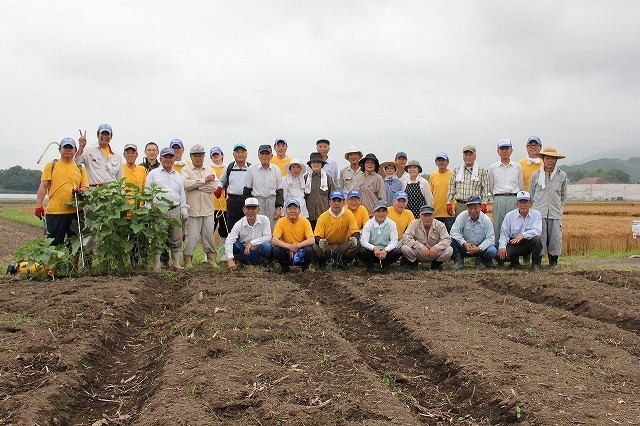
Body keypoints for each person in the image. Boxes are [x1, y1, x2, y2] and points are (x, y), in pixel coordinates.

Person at [35, 137, 88, 246]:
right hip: (55, 212)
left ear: (75, 150)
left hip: (76, 212)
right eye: (65, 147)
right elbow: (43, 186)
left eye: (70, 147)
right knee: (54, 244)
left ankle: (73, 263)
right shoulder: (51, 165)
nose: (68, 150)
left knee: (75, 245)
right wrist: (38, 205)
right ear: (60, 149)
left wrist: (80, 191)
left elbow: (85, 188)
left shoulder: (80, 168)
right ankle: (56, 263)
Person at [146, 148, 189, 270]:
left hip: (175, 209)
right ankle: (157, 264)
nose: (168, 160)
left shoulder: (178, 176)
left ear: (174, 159)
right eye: (165, 157)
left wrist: (184, 209)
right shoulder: (153, 174)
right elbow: (148, 192)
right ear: (160, 159)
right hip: (159, 210)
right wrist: (149, 209)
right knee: (159, 238)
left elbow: (182, 194)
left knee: (176, 238)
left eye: (171, 157)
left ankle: (176, 263)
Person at [529, 146, 568, 269]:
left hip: (555, 211)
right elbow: (531, 193)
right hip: (539, 212)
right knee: (540, 237)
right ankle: (536, 262)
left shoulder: (562, 176)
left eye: (552, 158)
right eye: (547, 158)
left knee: (555, 237)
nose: (550, 161)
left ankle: (553, 261)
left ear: (556, 160)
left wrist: (558, 206)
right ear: (543, 159)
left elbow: (563, 195)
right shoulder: (536, 175)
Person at [182, 144, 219, 268]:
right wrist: (204, 181)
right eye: (195, 155)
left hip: (208, 209)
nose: (198, 158)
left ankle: (211, 260)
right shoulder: (185, 170)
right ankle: (188, 261)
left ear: (204, 156)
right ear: (191, 157)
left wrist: (196, 186)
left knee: (209, 236)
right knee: (191, 237)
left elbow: (213, 187)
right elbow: (186, 184)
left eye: (200, 155)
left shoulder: (210, 170)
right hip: (192, 210)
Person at [488, 139, 524, 262]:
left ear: (511, 150)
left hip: (513, 198)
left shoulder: (517, 167)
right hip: (498, 198)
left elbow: (520, 185)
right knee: (498, 227)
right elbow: (491, 187)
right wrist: (498, 198)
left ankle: (513, 257)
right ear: (498, 151)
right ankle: (499, 257)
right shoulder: (493, 168)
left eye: (507, 148)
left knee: (514, 227)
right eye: (502, 148)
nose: (504, 151)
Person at [313, 190, 360, 268]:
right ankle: (323, 262)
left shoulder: (349, 214)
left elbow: (355, 231)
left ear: (343, 202)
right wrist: (320, 241)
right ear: (330, 202)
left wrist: (354, 238)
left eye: (339, 200)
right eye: (334, 200)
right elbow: (317, 235)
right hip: (328, 246)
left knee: (358, 243)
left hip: (342, 246)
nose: (336, 203)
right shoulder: (323, 217)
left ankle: (343, 262)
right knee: (314, 246)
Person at [497, 191, 543, 271]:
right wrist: (502, 247)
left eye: (526, 202)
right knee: (501, 257)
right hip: (514, 243)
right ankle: (514, 262)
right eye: (520, 202)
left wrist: (523, 235)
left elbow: (537, 231)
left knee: (537, 240)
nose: (523, 205)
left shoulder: (537, 214)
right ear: (517, 204)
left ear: (530, 204)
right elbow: (504, 234)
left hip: (529, 242)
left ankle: (535, 264)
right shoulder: (509, 216)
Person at [450, 195, 497, 269]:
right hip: (464, 247)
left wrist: (479, 248)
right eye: (470, 208)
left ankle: (481, 260)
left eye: (475, 207)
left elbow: (491, 238)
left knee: (492, 251)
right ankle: (458, 260)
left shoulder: (486, 219)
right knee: (450, 241)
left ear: (480, 207)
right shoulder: (462, 216)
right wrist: (464, 243)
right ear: (466, 208)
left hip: (480, 249)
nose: (473, 211)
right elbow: (453, 232)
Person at [243, 144, 284, 231]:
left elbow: (280, 190)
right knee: (256, 227)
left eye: (267, 154)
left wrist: (279, 207)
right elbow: (247, 189)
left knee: (272, 228)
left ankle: (272, 245)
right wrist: (250, 207)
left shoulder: (276, 169)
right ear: (258, 155)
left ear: (271, 156)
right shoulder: (251, 169)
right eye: (262, 154)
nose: (264, 156)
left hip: (272, 202)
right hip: (257, 202)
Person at [400, 205, 453, 270]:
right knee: (405, 248)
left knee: (449, 250)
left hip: (434, 253)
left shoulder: (440, 225)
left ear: (433, 216)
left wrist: (436, 247)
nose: (427, 218)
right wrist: (420, 246)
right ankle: (413, 263)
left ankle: (436, 264)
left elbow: (447, 239)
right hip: (419, 252)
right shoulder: (414, 223)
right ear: (420, 216)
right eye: (425, 215)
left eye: (429, 215)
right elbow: (406, 237)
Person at [225, 197, 273, 270]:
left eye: (253, 208)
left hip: (258, 252)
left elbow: (268, 237)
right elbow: (229, 240)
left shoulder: (265, 219)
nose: (250, 211)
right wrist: (230, 259)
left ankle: (263, 265)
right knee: (234, 243)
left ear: (258, 210)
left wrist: (252, 243)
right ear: (243, 210)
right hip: (244, 252)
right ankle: (239, 262)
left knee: (267, 245)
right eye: (248, 208)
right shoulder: (239, 224)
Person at [272, 199, 315, 273]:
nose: (292, 211)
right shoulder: (281, 221)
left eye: (295, 208)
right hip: (287, 251)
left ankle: (305, 268)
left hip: (300, 251)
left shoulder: (305, 221)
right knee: (276, 249)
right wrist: (289, 246)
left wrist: (297, 246)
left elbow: (312, 240)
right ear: (286, 211)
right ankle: (285, 268)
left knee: (309, 250)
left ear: (300, 211)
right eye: (290, 208)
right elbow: (274, 240)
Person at [359, 200, 402, 273]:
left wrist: (386, 250)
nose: (381, 214)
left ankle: (385, 265)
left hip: (385, 252)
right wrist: (374, 248)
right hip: (372, 252)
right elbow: (363, 241)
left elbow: (394, 241)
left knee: (397, 251)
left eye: (383, 211)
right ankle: (370, 266)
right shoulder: (368, 224)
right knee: (362, 251)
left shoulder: (392, 224)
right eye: (378, 211)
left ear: (387, 213)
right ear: (374, 212)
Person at [217, 143, 251, 232]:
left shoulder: (251, 168)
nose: (240, 154)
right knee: (232, 227)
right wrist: (219, 188)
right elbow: (221, 181)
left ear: (246, 154)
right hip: (233, 201)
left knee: (248, 226)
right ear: (233, 154)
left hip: (247, 201)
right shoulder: (229, 167)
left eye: (242, 152)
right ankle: (233, 245)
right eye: (237, 152)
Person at [447, 145, 489, 216]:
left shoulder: (481, 171)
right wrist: (448, 202)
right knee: (460, 226)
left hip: (475, 206)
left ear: (475, 156)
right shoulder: (456, 171)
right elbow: (451, 188)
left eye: (471, 155)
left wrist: (484, 203)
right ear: (463, 156)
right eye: (466, 155)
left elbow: (485, 188)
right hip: (460, 205)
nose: (468, 157)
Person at [305, 152, 335, 229]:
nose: (316, 164)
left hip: (323, 214)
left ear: (322, 164)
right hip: (308, 215)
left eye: (318, 162)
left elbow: (332, 197)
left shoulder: (328, 178)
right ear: (310, 164)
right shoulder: (305, 178)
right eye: (313, 162)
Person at [209, 147, 228, 259]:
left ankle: (223, 254)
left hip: (225, 205)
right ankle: (208, 255)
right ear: (211, 157)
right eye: (213, 155)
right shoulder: (208, 169)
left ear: (222, 155)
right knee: (209, 231)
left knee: (224, 232)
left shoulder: (227, 168)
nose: (216, 157)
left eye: (217, 154)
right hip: (211, 205)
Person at [430, 152, 455, 232]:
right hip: (436, 211)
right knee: (436, 236)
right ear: (436, 163)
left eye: (443, 160)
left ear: (447, 162)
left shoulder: (453, 174)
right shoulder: (433, 175)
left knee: (452, 236)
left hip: (450, 211)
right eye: (439, 160)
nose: (441, 162)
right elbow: (431, 193)